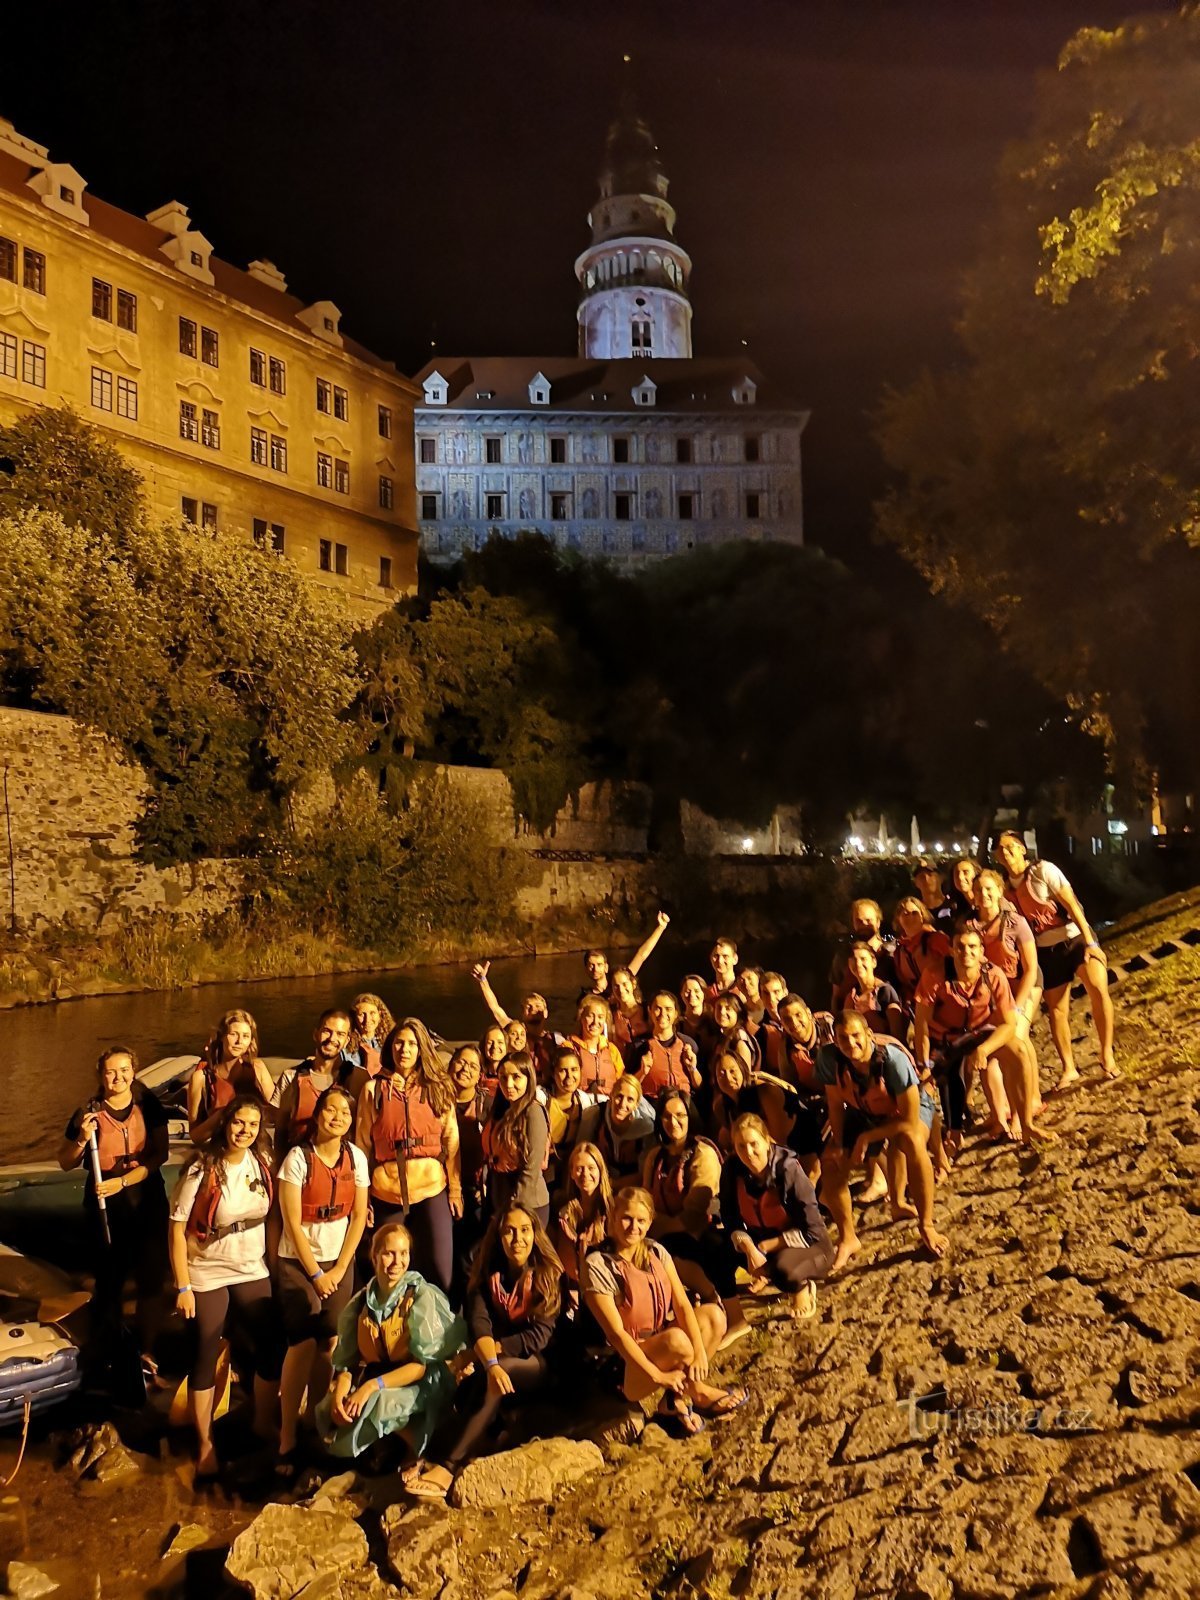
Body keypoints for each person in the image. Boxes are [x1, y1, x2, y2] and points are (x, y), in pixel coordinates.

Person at [406, 1207, 564, 1500]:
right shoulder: (488, 1274)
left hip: (542, 1364)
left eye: (525, 1230)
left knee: (500, 1370)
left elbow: (538, 1338)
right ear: (499, 1236)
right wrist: (488, 1360)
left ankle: (448, 1467)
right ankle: (445, 1450)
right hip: (496, 1362)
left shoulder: (548, 1276)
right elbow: (480, 1323)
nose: (518, 1238)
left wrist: (487, 1358)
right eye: (510, 1231)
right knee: (473, 1387)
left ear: (535, 1234)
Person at [169, 1096, 282, 1480]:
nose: (245, 1131)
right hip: (206, 1269)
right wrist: (183, 1285)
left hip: (251, 1266)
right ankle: (204, 1441)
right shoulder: (202, 1167)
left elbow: (272, 1219)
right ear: (225, 1123)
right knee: (206, 1344)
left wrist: (277, 1267)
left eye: (253, 1125)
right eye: (239, 1123)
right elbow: (177, 1229)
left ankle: (262, 1422)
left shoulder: (261, 1163)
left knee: (270, 1344)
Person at [582, 1187, 745, 1433]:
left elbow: (681, 1304)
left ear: (649, 1223)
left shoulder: (656, 1251)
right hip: (623, 1365)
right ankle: (698, 1393)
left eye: (640, 1221)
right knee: (677, 1340)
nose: (633, 1227)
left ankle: (673, 1400)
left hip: (661, 1343)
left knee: (714, 1317)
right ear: (612, 1217)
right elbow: (616, 1334)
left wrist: (700, 1352)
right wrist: (658, 1376)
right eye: (626, 1218)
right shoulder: (598, 1265)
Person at [274, 1085, 369, 1481]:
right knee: (302, 1343)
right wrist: (315, 1272)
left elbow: (360, 1217)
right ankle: (287, 1434)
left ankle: (317, 1418)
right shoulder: (298, 1159)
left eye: (344, 1113)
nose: (337, 1118)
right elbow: (292, 1221)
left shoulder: (356, 1158)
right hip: (299, 1262)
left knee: (331, 1343)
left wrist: (339, 1268)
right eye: (330, 1111)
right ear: (317, 1116)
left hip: (338, 1262)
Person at [59, 1047, 170, 1386]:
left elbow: (160, 1155)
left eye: (124, 1070)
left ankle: (147, 1349)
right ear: (101, 1076)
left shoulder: (148, 1105)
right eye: (111, 1071)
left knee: (151, 1278)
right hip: (105, 1208)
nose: (118, 1077)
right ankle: (107, 1348)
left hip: (145, 1199)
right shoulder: (87, 1112)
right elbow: (65, 1160)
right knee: (109, 1281)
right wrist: (81, 1138)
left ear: (133, 1072)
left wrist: (122, 1181)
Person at [316, 1222, 463, 1462]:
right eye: (389, 1254)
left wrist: (372, 1386)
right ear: (374, 1257)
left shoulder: (419, 1295)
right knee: (330, 1408)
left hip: (418, 1379)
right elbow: (348, 1363)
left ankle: (424, 1452)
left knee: (377, 1402)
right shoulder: (361, 1303)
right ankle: (381, 1450)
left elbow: (420, 1365)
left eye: (403, 1254)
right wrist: (342, 1390)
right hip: (378, 1373)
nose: (397, 1263)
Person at [818, 1012, 948, 1272]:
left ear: (868, 1034)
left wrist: (868, 1137)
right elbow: (835, 1103)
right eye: (843, 1038)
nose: (850, 1043)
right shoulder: (829, 1059)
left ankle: (927, 1225)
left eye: (856, 1036)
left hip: (902, 1110)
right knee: (831, 1164)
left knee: (910, 1142)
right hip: (863, 1109)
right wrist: (841, 1145)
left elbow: (909, 1120)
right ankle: (848, 1238)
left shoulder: (893, 1060)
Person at [994, 831, 1117, 1088]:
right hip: (1046, 950)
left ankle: (1107, 1054)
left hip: (1074, 937)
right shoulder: (1004, 890)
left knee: (1097, 987)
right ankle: (1069, 1068)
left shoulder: (1044, 870)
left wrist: (1091, 941)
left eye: (1010, 847)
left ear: (1022, 850)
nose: (1005, 852)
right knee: (1058, 1010)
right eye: (1000, 849)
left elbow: (1071, 904)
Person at [913, 926, 1046, 1149]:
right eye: (961, 947)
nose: (967, 952)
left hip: (979, 1032)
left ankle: (1026, 1123)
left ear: (981, 950)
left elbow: (1009, 1023)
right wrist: (923, 1062)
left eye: (973, 947)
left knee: (1019, 1050)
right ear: (951, 950)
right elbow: (921, 1025)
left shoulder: (993, 974)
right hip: (945, 1038)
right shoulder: (935, 975)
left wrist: (984, 1049)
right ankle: (952, 1133)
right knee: (943, 1078)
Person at [355, 1018, 462, 1293]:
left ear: (421, 1048)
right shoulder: (373, 1090)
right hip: (386, 1193)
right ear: (390, 1046)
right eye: (400, 1043)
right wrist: (363, 1198)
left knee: (440, 1271)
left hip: (431, 1190)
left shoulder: (438, 1087)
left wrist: (455, 1190)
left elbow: (451, 1141)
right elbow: (362, 1147)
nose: (405, 1049)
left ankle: (437, 1328)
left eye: (412, 1044)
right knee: (386, 1271)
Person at [716, 1113, 834, 1321]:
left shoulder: (789, 1171)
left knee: (783, 1270)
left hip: (808, 1246)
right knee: (714, 1244)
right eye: (741, 1146)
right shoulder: (731, 1169)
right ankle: (734, 1315)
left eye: (754, 1144)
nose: (749, 1153)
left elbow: (812, 1231)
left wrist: (763, 1248)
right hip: (759, 1239)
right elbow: (730, 1215)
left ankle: (801, 1288)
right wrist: (748, 1247)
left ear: (767, 1140)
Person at [973, 868, 1045, 1117]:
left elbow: (1031, 968)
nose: (984, 894)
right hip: (994, 996)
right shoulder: (970, 928)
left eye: (989, 889)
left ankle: (1026, 1105)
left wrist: (1017, 1007)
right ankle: (1000, 1111)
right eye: (979, 890)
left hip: (1025, 985)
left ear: (999, 891)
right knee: (990, 1050)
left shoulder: (1016, 923)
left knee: (1016, 1037)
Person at [273, 1009, 365, 1155]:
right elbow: (280, 1133)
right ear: (315, 1034)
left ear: (347, 1040)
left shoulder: (359, 1078)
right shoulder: (290, 1077)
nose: (332, 1038)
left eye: (340, 1034)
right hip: (299, 1165)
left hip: (342, 1165)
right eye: (327, 1031)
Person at [481, 1052, 551, 1225]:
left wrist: (516, 1206)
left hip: (527, 1204)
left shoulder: (533, 1112)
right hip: (499, 1194)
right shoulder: (501, 1110)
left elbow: (531, 1168)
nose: (509, 1084)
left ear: (529, 1077)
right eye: (503, 1078)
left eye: (516, 1077)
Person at [186, 1010, 274, 1145]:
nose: (239, 1041)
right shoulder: (201, 1078)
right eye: (233, 1034)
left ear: (251, 1040)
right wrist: (223, 1115)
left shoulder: (257, 1068)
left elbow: (277, 1113)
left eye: (245, 1036)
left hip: (256, 1146)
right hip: (221, 1148)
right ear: (222, 1036)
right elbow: (195, 1136)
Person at [469, 964, 559, 1082]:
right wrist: (483, 980)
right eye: (528, 1007)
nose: (533, 1010)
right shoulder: (516, 1029)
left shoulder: (555, 1039)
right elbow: (495, 1009)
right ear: (522, 1013)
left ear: (546, 1013)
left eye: (538, 1006)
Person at [448, 1045, 493, 1253]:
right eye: (461, 1062)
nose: (466, 1069)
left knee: (471, 1253)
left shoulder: (488, 1105)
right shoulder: (434, 1101)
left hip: (476, 1188)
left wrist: (487, 1183)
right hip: (441, 1185)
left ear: (479, 1076)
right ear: (451, 1065)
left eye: (473, 1066)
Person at [552, 1142, 612, 1291]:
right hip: (576, 1284)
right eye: (579, 1169)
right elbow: (567, 1261)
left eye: (591, 1168)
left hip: (607, 1283)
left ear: (600, 1171)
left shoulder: (613, 1209)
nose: (585, 1174)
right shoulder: (565, 1212)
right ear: (571, 1173)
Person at [578, 909, 671, 1002]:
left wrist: (661, 927)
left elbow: (641, 955)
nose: (595, 969)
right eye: (591, 965)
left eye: (599, 964)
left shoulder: (622, 980)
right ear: (586, 968)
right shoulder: (587, 997)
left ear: (606, 967)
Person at [626, 990, 702, 1100]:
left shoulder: (688, 1044)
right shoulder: (639, 1046)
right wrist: (642, 1072)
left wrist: (692, 1068)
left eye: (668, 1009)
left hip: (682, 1104)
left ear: (676, 1013)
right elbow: (628, 1086)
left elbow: (699, 1085)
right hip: (651, 1106)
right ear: (650, 1011)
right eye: (658, 1008)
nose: (663, 1014)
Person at [544, 1047, 598, 1188]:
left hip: (575, 1173)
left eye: (574, 1070)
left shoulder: (585, 1102)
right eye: (563, 1070)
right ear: (553, 1073)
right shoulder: (541, 1100)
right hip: (544, 1171)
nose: (569, 1076)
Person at [829, 899, 895, 1011]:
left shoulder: (893, 953)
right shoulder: (843, 956)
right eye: (859, 921)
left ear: (878, 922)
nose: (864, 925)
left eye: (868, 920)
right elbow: (837, 996)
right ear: (853, 923)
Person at [593, 1073, 656, 1188]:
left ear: (637, 1104)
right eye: (619, 1096)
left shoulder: (646, 1129)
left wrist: (611, 1185)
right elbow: (580, 1153)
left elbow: (645, 1175)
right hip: (598, 1182)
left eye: (630, 1100)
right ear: (611, 1095)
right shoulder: (596, 1115)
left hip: (631, 1188)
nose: (623, 1104)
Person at [891, 897, 952, 1016]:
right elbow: (906, 984)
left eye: (914, 913)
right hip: (920, 1007)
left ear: (922, 916)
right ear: (898, 919)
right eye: (905, 914)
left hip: (946, 1002)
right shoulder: (899, 952)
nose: (910, 917)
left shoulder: (936, 939)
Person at [840, 942, 905, 1037]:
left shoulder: (885, 991)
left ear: (873, 962)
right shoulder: (851, 997)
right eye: (854, 959)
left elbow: (897, 1034)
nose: (858, 964)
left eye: (863, 959)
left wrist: (869, 1013)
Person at [566, 997, 625, 1097]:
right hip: (580, 1102)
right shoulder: (569, 1047)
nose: (595, 1022)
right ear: (581, 1017)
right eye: (590, 1016)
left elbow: (621, 1081)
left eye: (600, 1017)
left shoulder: (612, 1050)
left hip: (608, 1103)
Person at [346, 994, 394, 1077]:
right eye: (362, 1014)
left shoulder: (391, 1040)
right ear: (354, 1017)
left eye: (372, 1013)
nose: (367, 1019)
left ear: (379, 1015)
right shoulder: (347, 1044)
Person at [608, 967, 650, 1054]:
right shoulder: (611, 1015)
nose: (620, 989)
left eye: (624, 984)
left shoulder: (647, 1010)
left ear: (633, 984)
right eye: (616, 986)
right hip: (625, 1064)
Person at [912, 859, 955, 929]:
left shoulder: (953, 907)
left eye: (930, 875)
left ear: (941, 878)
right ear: (916, 883)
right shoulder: (915, 912)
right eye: (921, 876)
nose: (926, 879)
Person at [706, 938, 740, 1002]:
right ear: (710, 959)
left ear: (735, 959)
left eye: (725, 956)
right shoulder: (706, 992)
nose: (720, 961)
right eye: (716, 956)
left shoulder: (743, 989)